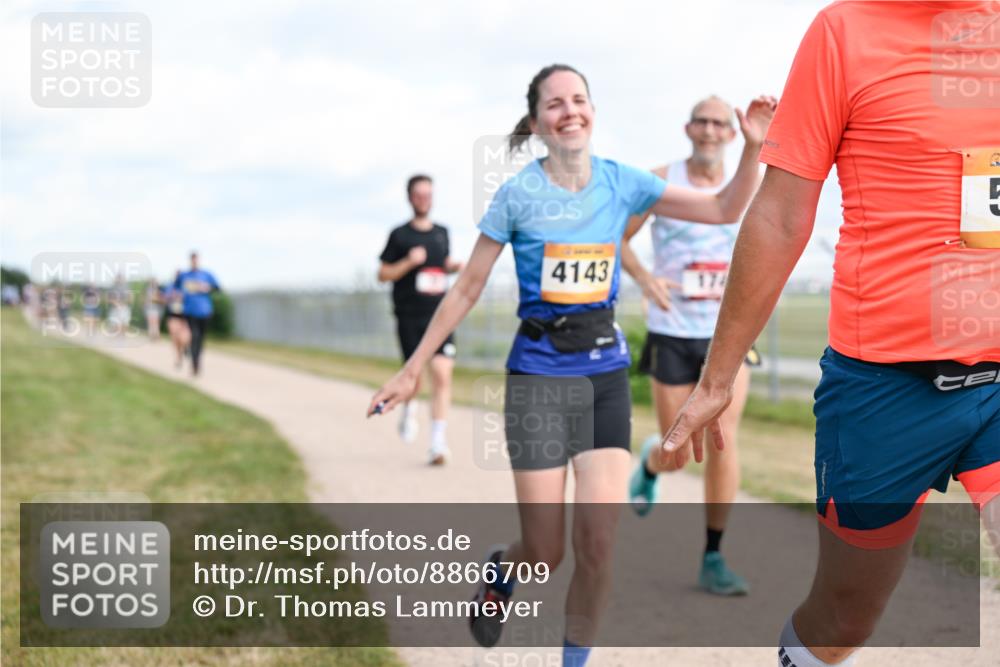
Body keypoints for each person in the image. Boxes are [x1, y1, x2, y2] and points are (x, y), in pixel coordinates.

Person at [368, 63, 775, 666]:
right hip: (535, 380)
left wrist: (753, 149)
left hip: (602, 377)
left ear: (592, 111)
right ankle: (503, 571)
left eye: (579, 99)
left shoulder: (622, 182)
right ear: (536, 122)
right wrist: (412, 369)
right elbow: (466, 287)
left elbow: (722, 207)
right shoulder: (516, 195)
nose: (570, 111)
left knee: (598, 544)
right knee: (544, 554)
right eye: (555, 104)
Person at [658, 4, 1000, 666]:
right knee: (844, 618)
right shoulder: (845, 32)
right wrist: (719, 376)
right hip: (884, 389)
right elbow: (782, 216)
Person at [624, 95, 759, 596]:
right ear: (688, 128)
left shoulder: (746, 184)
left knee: (722, 433)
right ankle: (649, 462)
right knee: (676, 451)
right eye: (700, 121)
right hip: (671, 330)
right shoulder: (661, 180)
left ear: (732, 133)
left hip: (727, 333)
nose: (708, 130)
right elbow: (619, 238)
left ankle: (713, 556)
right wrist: (643, 277)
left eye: (718, 123)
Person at [378, 175, 464, 465]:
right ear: (410, 197)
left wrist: (451, 267)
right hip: (409, 316)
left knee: (442, 374)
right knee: (414, 376)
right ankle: (408, 406)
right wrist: (408, 262)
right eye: (419, 194)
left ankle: (438, 444)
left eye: (429, 194)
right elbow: (383, 274)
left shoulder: (442, 233)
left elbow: (439, 271)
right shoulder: (400, 235)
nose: (424, 199)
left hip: (439, 316)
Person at [174, 253, 220, 377]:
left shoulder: (207, 274)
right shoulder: (185, 275)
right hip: (190, 311)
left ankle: (197, 359)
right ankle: (194, 364)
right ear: (190, 261)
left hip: (204, 311)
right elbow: (175, 287)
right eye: (192, 260)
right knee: (194, 335)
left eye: (196, 260)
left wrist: (207, 288)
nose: (194, 262)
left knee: (200, 338)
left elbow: (218, 287)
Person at [163, 272, 191, 370]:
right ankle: (179, 359)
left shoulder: (186, 287)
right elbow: (165, 298)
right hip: (173, 316)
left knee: (185, 338)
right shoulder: (170, 287)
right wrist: (172, 296)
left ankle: (186, 347)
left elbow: (191, 298)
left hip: (185, 316)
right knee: (175, 339)